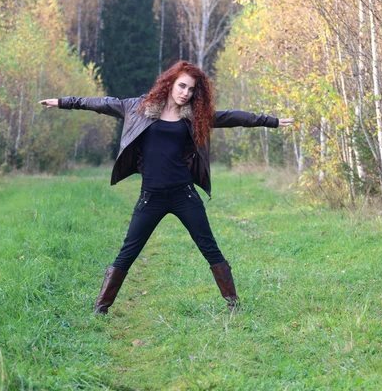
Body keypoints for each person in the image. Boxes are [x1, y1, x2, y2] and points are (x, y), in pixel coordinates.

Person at [39, 60, 293, 314]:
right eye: (182, 86)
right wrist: (63, 101)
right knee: (127, 252)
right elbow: (100, 103)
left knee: (210, 248)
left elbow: (233, 117)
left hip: (185, 195)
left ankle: (234, 305)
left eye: (191, 89)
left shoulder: (195, 116)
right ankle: (100, 309)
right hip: (151, 198)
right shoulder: (138, 108)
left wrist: (271, 121)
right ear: (169, 83)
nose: (186, 93)